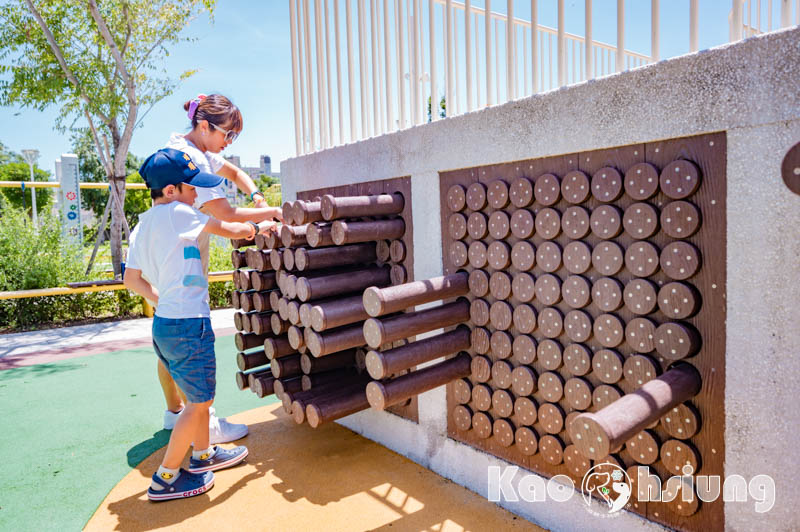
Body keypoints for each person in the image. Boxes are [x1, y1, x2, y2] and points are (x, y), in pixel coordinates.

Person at [124, 148, 272, 501]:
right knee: (200, 402)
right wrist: (256, 226)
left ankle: (204, 454)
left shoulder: (144, 223)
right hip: (189, 324)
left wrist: (161, 299)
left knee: (197, 396)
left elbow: (131, 279)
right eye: (192, 188)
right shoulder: (178, 212)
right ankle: (166, 478)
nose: (197, 195)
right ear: (172, 190)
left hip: (166, 324)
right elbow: (230, 229)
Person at [159, 93, 282, 443]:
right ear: (203, 125)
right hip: (181, 256)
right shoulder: (193, 160)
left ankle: (174, 414)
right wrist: (270, 214)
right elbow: (226, 214)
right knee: (194, 337)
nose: (227, 143)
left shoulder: (184, 146)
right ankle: (206, 428)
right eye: (226, 135)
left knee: (168, 334)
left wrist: (257, 196)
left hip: (163, 250)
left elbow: (237, 173)